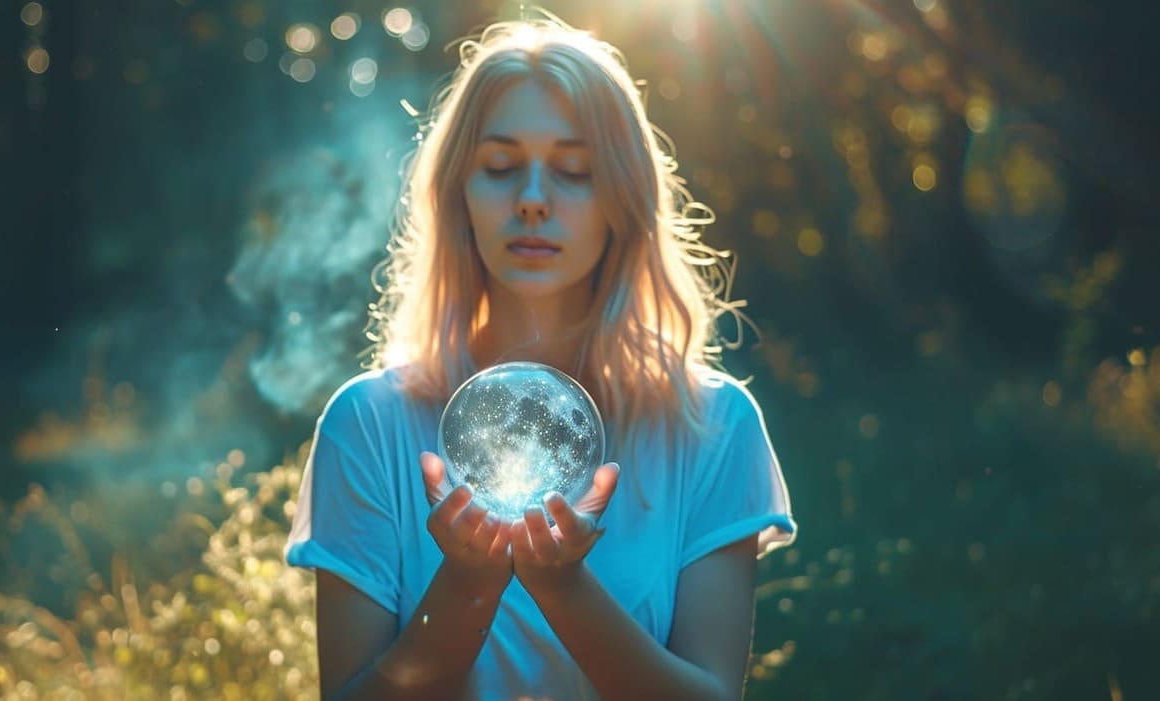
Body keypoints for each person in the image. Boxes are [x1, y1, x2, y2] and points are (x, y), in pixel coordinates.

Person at [285, 15, 796, 701]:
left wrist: (562, 585)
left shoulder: (711, 425)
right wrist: (467, 583)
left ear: (623, 197)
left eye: (574, 171)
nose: (531, 200)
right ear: (458, 195)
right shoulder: (369, 425)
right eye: (499, 168)